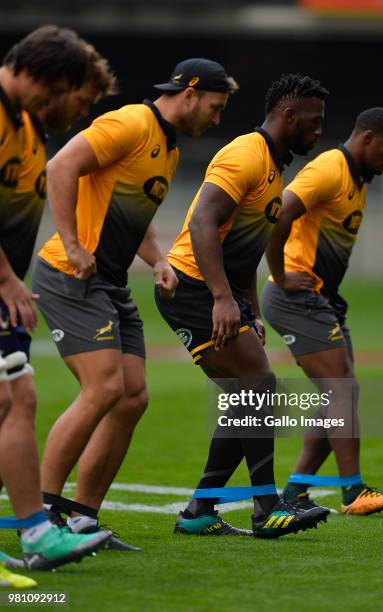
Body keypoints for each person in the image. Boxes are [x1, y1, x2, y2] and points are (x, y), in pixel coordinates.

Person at [31, 58, 238, 549]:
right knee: (104, 389)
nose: (217, 118)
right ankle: (37, 516)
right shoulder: (131, 122)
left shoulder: (165, 147)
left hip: (111, 282)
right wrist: (73, 243)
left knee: (132, 397)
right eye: (214, 107)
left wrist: (158, 259)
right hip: (70, 273)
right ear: (189, 93)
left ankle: (81, 517)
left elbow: (132, 210)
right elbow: (61, 166)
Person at [156, 73, 331, 538]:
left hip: (216, 290)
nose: (317, 133)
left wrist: (249, 310)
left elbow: (243, 250)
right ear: (288, 116)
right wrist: (220, 298)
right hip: (191, 286)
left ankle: (200, 510)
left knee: (245, 400)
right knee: (260, 384)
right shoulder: (245, 154)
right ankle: (266, 507)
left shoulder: (273, 169)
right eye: (312, 123)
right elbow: (201, 223)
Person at [0, 26, 112, 583]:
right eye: (70, 91)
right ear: (44, 74)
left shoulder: (25, 127)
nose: (64, 104)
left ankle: (36, 530)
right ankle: (37, 530)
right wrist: (6, 281)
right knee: (16, 397)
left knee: (15, 398)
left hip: (6, 291)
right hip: (2, 288)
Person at [262, 107, 383, 515]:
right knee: (341, 389)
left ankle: (296, 490)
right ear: (366, 138)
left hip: (322, 298)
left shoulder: (357, 180)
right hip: (295, 295)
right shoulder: (330, 168)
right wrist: (281, 273)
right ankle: (353, 490)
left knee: (340, 394)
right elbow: (278, 215)